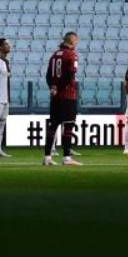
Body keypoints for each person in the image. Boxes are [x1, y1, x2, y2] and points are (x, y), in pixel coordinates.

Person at [43, 32, 82, 166]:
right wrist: (60, 87)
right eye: (76, 41)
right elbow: (71, 75)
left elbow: (48, 75)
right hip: (68, 95)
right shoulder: (72, 55)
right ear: (72, 40)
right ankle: (67, 158)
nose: (77, 43)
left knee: (53, 125)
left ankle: (47, 157)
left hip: (55, 96)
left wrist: (52, 87)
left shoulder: (54, 55)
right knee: (69, 126)